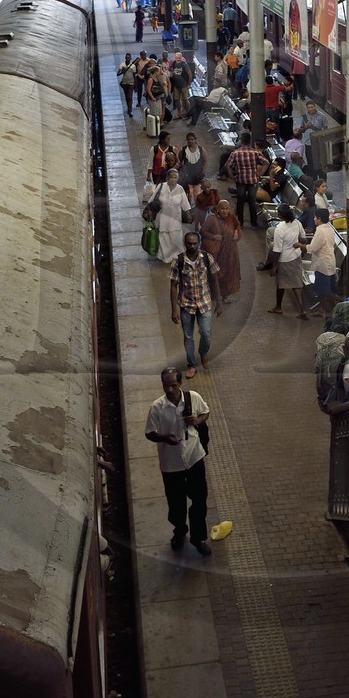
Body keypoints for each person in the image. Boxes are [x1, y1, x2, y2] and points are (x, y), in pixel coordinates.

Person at [144, 367, 212, 555]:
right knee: (176, 502)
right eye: (166, 386)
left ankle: (198, 537)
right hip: (171, 463)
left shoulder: (193, 398)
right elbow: (149, 433)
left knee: (199, 499)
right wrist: (164, 438)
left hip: (194, 457)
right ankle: (180, 531)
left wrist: (197, 421)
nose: (170, 390)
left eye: (173, 385)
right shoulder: (157, 407)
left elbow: (205, 412)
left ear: (180, 383)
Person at [169, 230, 221, 379]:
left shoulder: (207, 258)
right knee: (188, 336)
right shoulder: (178, 261)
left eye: (194, 243)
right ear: (185, 244)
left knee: (206, 333)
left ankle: (203, 353)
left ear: (199, 243)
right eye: (189, 244)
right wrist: (174, 310)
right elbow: (173, 286)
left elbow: (214, 280)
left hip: (204, 303)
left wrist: (219, 302)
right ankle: (191, 364)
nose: (192, 246)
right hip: (186, 305)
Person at [267, 204, 309, 318]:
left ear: (280, 215)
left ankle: (281, 308)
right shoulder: (297, 223)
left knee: (283, 284)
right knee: (293, 284)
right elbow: (303, 238)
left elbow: (277, 250)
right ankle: (298, 309)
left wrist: (274, 267)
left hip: (284, 260)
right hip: (296, 257)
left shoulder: (279, 229)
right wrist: (298, 244)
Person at [199, 199, 243, 304]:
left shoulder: (231, 217)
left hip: (230, 252)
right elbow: (202, 231)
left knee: (229, 273)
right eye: (223, 209)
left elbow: (237, 224)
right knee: (215, 273)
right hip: (217, 253)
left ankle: (225, 295)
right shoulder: (212, 219)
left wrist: (236, 231)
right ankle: (212, 294)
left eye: (227, 209)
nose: (225, 211)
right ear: (218, 209)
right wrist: (213, 236)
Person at [224, 133, 270, 228]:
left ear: (241, 141)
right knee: (252, 201)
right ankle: (254, 223)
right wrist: (260, 174)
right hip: (253, 180)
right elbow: (266, 163)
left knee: (240, 201)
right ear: (250, 141)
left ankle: (240, 222)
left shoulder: (236, 153)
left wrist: (231, 176)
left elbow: (227, 165)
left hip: (240, 180)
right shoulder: (256, 152)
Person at [306, 212, 343, 317]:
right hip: (330, 261)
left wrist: (301, 245)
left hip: (322, 264)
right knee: (327, 288)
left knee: (324, 290)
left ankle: (333, 311)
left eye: (315, 217)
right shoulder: (330, 229)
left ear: (319, 218)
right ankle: (324, 309)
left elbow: (313, 248)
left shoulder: (320, 231)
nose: (314, 219)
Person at [153, 169, 192, 265]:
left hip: (175, 219)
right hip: (162, 218)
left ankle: (177, 256)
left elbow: (185, 203)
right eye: (171, 177)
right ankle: (165, 257)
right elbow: (152, 200)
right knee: (164, 237)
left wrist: (188, 214)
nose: (173, 179)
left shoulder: (180, 189)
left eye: (175, 177)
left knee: (176, 237)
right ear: (167, 178)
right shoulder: (161, 187)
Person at [177, 132, 207, 201]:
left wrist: (203, 171)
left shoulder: (201, 149)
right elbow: (180, 161)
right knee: (189, 194)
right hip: (187, 176)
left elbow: (205, 161)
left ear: (195, 140)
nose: (190, 141)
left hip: (197, 175)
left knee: (197, 194)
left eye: (192, 139)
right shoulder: (183, 150)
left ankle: (197, 206)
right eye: (188, 139)